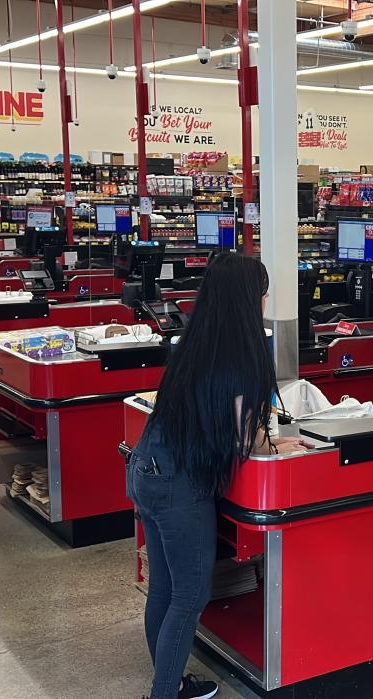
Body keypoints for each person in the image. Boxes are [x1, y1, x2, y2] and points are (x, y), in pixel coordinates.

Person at [127, 253, 305, 699]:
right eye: (263, 292)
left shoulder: (195, 340)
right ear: (251, 298)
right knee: (189, 595)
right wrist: (278, 446)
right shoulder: (244, 352)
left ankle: (169, 683)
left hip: (147, 467)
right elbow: (247, 438)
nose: (266, 299)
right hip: (178, 483)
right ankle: (165, 693)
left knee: (165, 589)